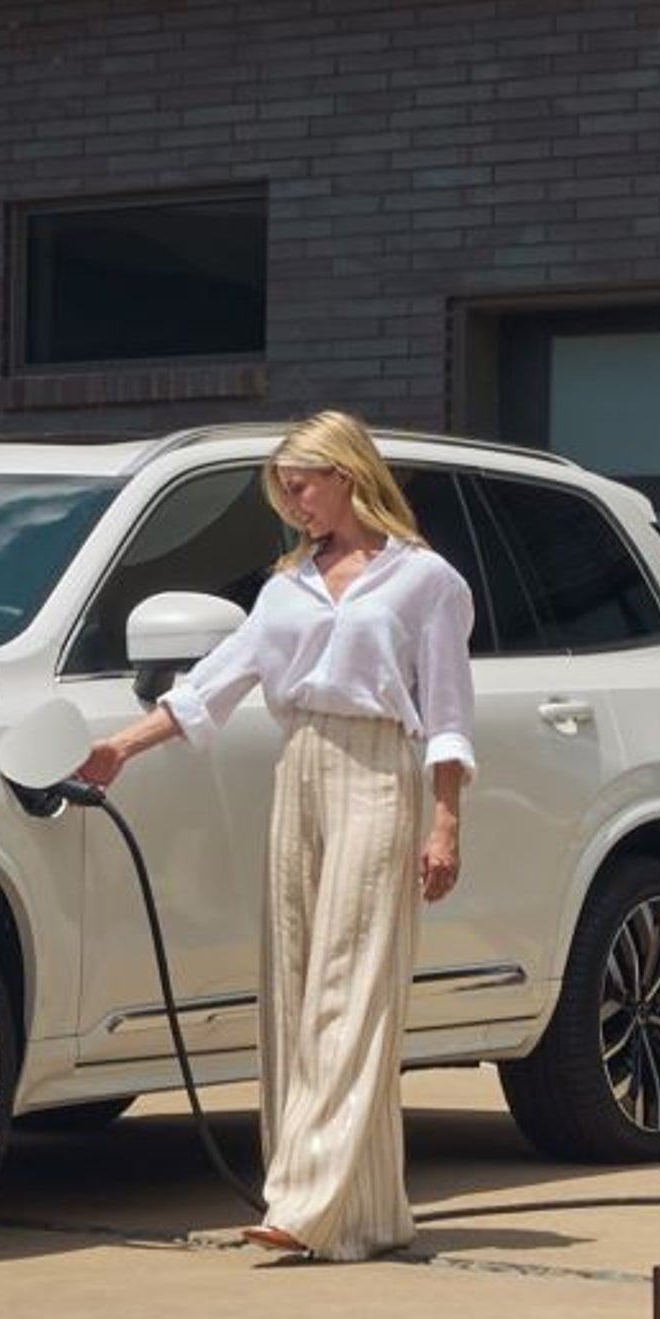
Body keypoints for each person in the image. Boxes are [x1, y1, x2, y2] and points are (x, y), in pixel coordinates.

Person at [73, 410, 474, 1263]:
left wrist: (445, 821)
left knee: (350, 985)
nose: (293, 502)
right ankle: (363, 1213)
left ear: (348, 475)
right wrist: (120, 750)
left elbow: (446, 711)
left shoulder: (425, 581)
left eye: (305, 484)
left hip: (378, 772)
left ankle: (302, 1199)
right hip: (299, 773)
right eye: (283, 489)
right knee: (293, 986)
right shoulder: (283, 586)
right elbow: (212, 686)